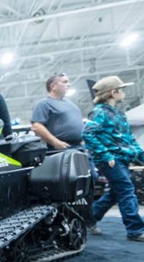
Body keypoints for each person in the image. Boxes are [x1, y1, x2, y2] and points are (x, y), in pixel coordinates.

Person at [83, 76, 144, 243]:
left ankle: (88, 218)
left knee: (116, 192)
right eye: (121, 89)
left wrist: (143, 155)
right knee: (127, 190)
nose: (123, 92)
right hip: (111, 160)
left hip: (120, 158)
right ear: (113, 92)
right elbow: (87, 134)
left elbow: (128, 138)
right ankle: (136, 230)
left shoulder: (118, 114)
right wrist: (106, 155)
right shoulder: (99, 113)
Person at [31, 72, 100, 232]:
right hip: (60, 150)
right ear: (53, 86)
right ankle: (64, 220)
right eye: (64, 81)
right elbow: (37, 126)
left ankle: (87, 219)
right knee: (66, 186)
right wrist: (55, 142)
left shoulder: (71, 104)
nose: (68, 84)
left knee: (90, 180)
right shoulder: (45, 104)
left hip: (79, 149)